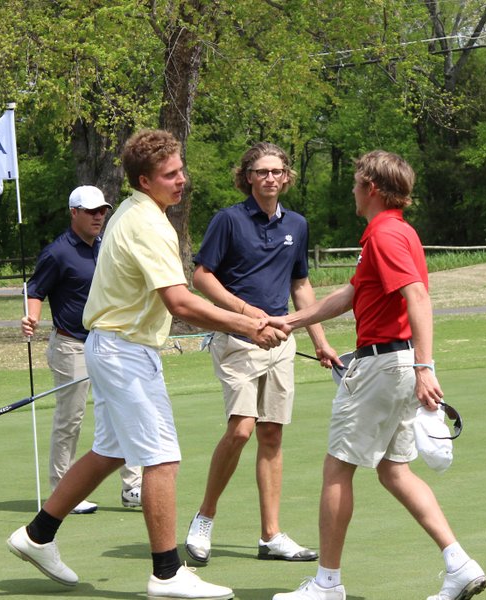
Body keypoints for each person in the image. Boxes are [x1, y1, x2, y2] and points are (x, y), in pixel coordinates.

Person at [7, 129, 288, 599]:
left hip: (116, 346)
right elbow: (179, 301)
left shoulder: (140, 211)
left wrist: (243, 312)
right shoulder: (149, 224)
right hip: (123, 351)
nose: (182, 181)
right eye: (170, 174)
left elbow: (181, 298)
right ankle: (165, 573)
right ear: (144, 179)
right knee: (162, 457)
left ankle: (36, 535)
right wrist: (247, 327)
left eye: (181, 170)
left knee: (112, 451)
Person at [267, 150, 486, 600]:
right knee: (394, 471)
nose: (352, 190)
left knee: (337, 470)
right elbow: (350, 295)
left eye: (355, 183)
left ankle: (327, 584)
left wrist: (426, 367)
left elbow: (418, 298)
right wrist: (288, 322)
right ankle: (459, 565)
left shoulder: (385, 235)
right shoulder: (395, 232)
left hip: (386, 365)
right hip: (396, 363)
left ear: (371, 188)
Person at [184, 142, 339, 565]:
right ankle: (204, 518)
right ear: (248, 176)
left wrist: (319, 340)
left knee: (272, 434)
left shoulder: (298, 225)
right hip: (237, 339)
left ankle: (270, 535)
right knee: (241, 429)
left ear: (286, 177)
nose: (270, 177)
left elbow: (300, 285)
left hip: (281, 341)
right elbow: (202, 276)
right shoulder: (228, 220)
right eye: (261, 171)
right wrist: (247, 314)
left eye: (277, 171)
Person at [22, 185, 142, 514]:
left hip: (107, 344)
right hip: (70, 346)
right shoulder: (58, 252)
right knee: (70, 420)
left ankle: (133, 486)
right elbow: (36, 290)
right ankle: (64, 491)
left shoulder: (105, 247)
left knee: (123, 410)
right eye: (91, 211)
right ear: (73, 212)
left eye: (102, 210)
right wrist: (32, 318)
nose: (99, 217)